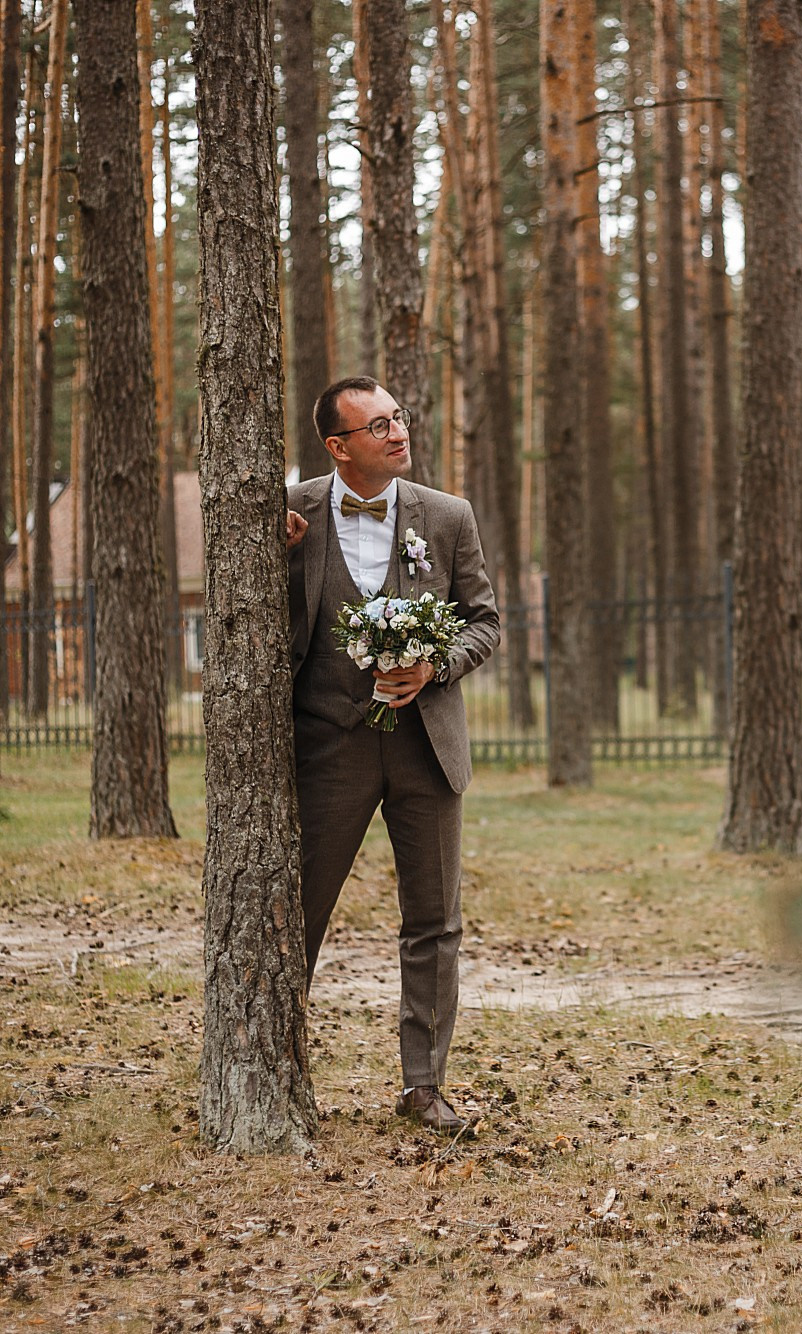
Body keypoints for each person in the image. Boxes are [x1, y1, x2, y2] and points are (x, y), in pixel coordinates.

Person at [282, 375, 500, 1133]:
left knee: (434, 921)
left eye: (398, 417)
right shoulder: (290, 512)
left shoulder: (447, 515)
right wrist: (275, 556)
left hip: (425, 750)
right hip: (327, 750)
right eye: (377, 425)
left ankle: (424, 1086)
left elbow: (484, 621)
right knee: (297, 915)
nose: (398, 431)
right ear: (337, 446)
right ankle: (276, 1073)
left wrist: (434, 666)